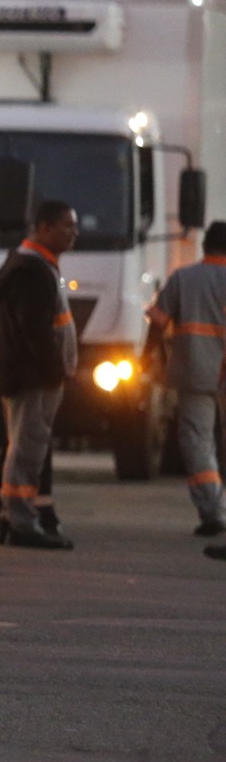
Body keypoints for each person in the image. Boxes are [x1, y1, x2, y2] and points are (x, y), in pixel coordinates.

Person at [0, 199, 80, 550]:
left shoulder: (35, 266)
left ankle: (11, 517)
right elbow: (36, 330)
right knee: (27, 450)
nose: (74, 234)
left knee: (24, 447)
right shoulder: (32, 270)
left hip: (30, 374)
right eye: (67, 226)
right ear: (43, 227)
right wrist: (54, 370)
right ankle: (21, 521)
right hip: (34, 377)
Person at [142, 220, 226, 537]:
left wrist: (145, 358)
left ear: (205, 247)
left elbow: (158, 322)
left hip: (196, 370)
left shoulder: (184, 278)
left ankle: (213, 512)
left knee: (197, 441)